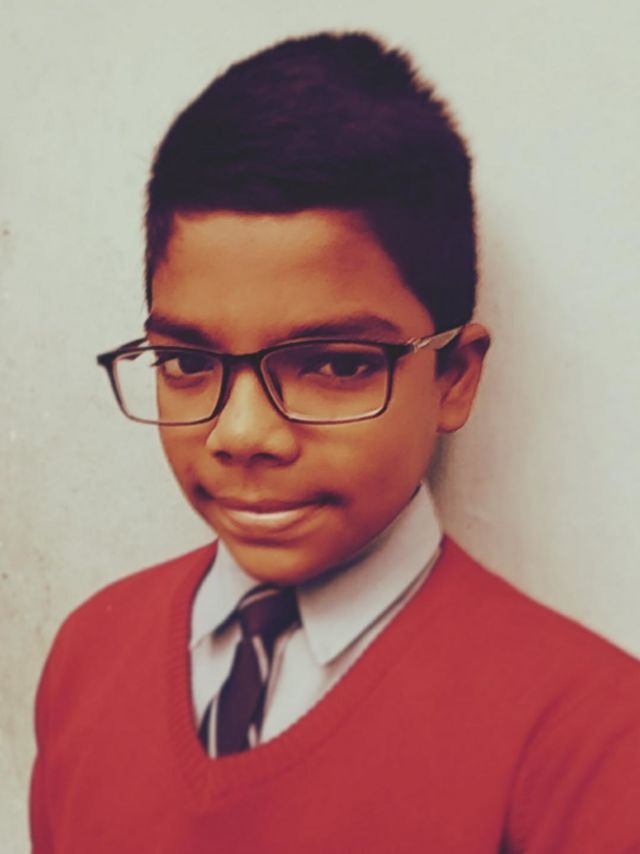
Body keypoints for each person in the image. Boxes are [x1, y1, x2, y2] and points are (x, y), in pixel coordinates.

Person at [30, 31, 640, 853]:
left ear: (453, 376)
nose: (241, 434)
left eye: (336, 365)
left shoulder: (592, 743)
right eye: (187, 362)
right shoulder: (89, 654)